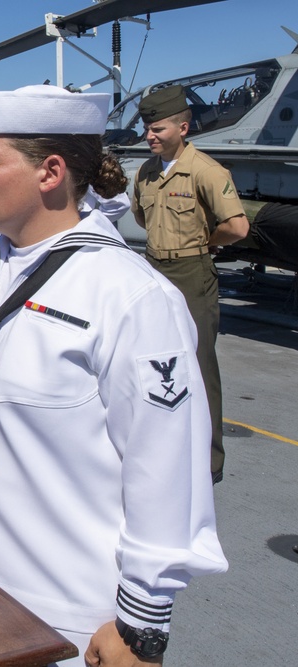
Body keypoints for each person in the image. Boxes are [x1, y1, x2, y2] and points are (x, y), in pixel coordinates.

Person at [0, 84, 227, 665]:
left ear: (50, 172)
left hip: (76, 615)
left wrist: (141, 627)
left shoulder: (130, 295)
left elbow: (166, 469)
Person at [130, 84, 250, 484]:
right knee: (151, 364)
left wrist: (204, 243)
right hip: (152, 270)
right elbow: (144, 220)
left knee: (198, 365)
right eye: (148, 128)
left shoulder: (206, 170)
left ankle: (209, 459)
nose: (150, 135)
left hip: (191, 273)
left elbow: (236, 226)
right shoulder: (146, 172)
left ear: (183, 127)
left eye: (158, 128)